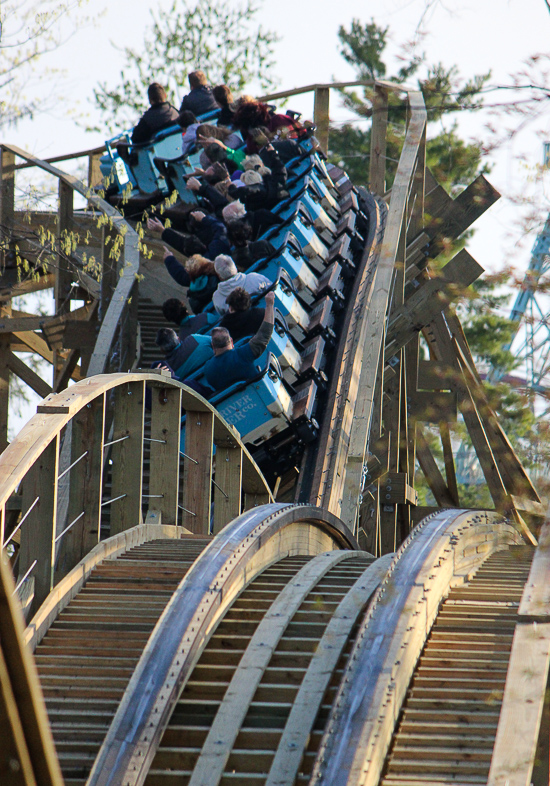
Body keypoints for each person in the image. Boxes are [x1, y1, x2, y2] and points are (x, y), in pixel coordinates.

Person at [203, 291, 275, 391]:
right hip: (260, 391)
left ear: (213, 346)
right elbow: (265, 335)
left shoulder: (208, 370)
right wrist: (269, 304)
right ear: (231, 341)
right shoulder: (242, 355)